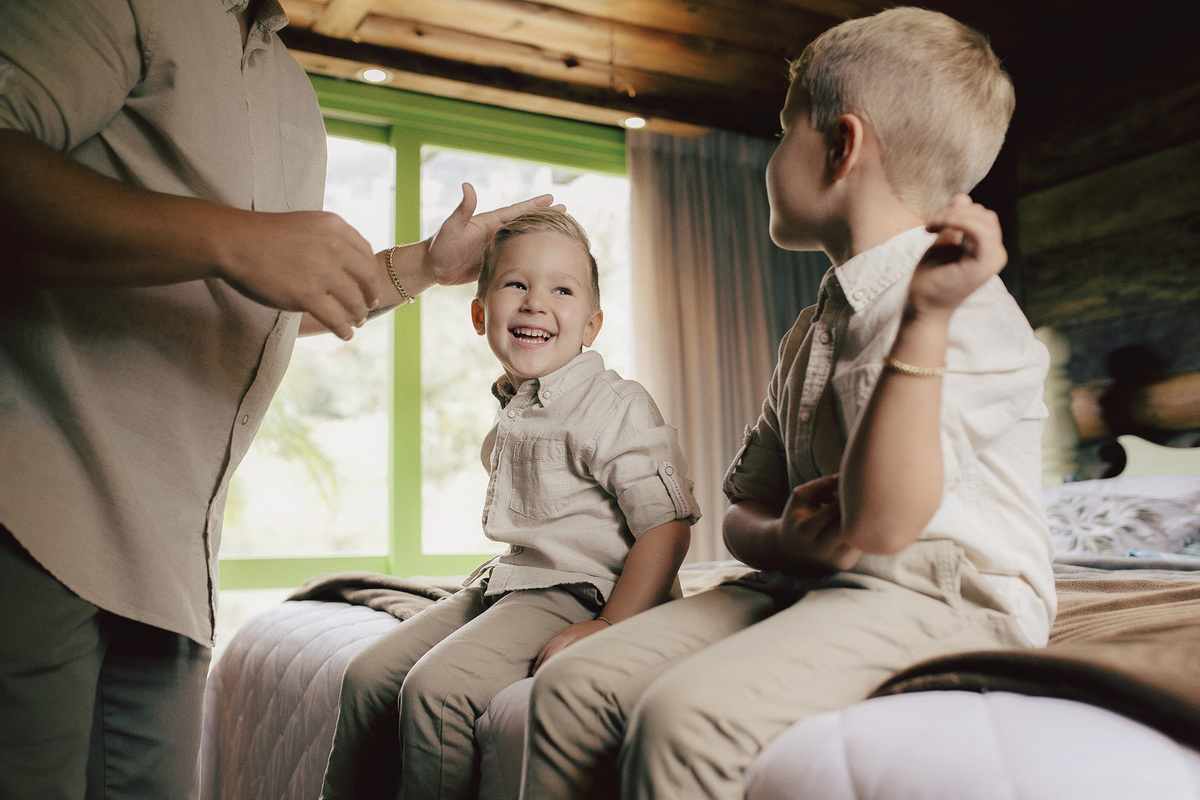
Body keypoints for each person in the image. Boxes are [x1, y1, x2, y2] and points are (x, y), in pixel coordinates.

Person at [0, 1, 556, 798]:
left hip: (171, 564)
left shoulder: (293, 94)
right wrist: (233, 238)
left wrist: (429, 265)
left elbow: (271, 296)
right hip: (34, 517)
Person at [516, 8, 1056, 800]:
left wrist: (926, 319)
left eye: (781, 132)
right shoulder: (814, 328)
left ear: (841, 146)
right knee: (570, 685)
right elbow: (743, 515)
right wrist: (789, 541)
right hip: (814, 582)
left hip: (948, 595)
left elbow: (880, 525)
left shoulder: (961, 307)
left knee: (685, 721)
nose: (773, 157)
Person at [318, 208, 699, 800]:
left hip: (585, 589)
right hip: (512, 583)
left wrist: (608, 626)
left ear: (591, 325)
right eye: (516, 284)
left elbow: (667, 527)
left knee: (437, 691)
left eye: (562, 289)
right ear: (480, 314)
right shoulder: (517, 404)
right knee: (367, 677)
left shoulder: (614, 404)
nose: (535, 303)